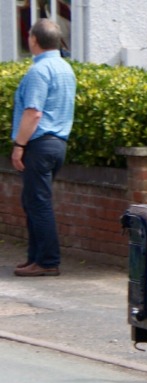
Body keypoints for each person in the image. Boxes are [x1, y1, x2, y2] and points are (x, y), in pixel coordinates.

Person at [11, 18, 75, 277]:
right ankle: (35, 258)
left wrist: (19, 145)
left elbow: (33, 113)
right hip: (58, 143)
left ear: (33, 40)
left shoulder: (39, 71)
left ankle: (47, 261)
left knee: (38, 203)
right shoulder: (65, 68)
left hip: (39, 144)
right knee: (33, 201)